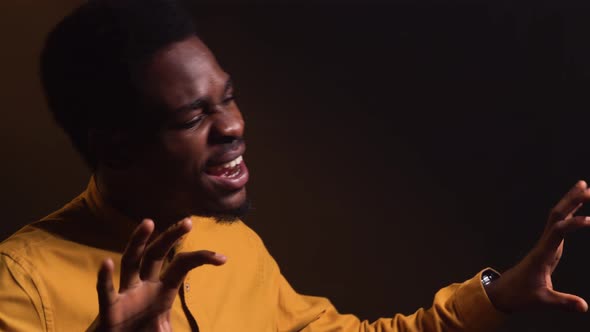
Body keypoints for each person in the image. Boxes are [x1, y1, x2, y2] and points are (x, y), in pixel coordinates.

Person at [0, 0, 588, 331]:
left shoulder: (236, 246)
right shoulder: (20, 284)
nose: (232, 126)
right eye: (191, 116)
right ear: (115, 146)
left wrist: (497, 293)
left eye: (228, 97)